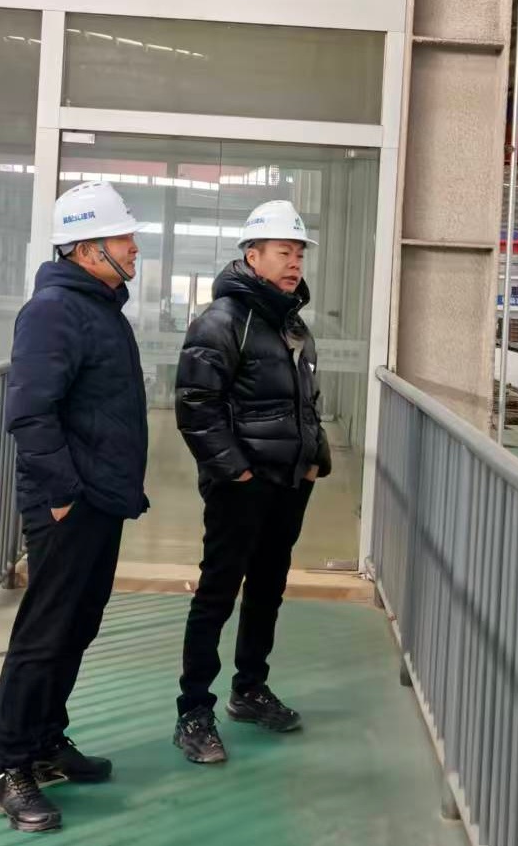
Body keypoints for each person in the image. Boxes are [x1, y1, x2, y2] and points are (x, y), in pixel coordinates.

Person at [0, 181, 149, 833]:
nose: (133, 248)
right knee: (44, 634)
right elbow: (30, 413)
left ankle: (45, 741)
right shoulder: (54, 310)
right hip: (68, 501)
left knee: (77, 625)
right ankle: (9, 769)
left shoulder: (98, 306)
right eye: (122, 237)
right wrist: (60, 497)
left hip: (97, 497)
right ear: (86, 248)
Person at [172, 199, 331, 764]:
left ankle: (249, 689)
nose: (295, 263)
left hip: (288, 483)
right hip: (241, 486)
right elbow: (196, 405)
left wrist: (314, 461)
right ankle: (194, 712)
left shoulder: (291, 324)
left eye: (300, 254)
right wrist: (236, 471)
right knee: (217, 593)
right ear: (252, 255)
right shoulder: (221, 321)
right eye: (284, 252)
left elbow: (307, 403)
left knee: (267, 589)